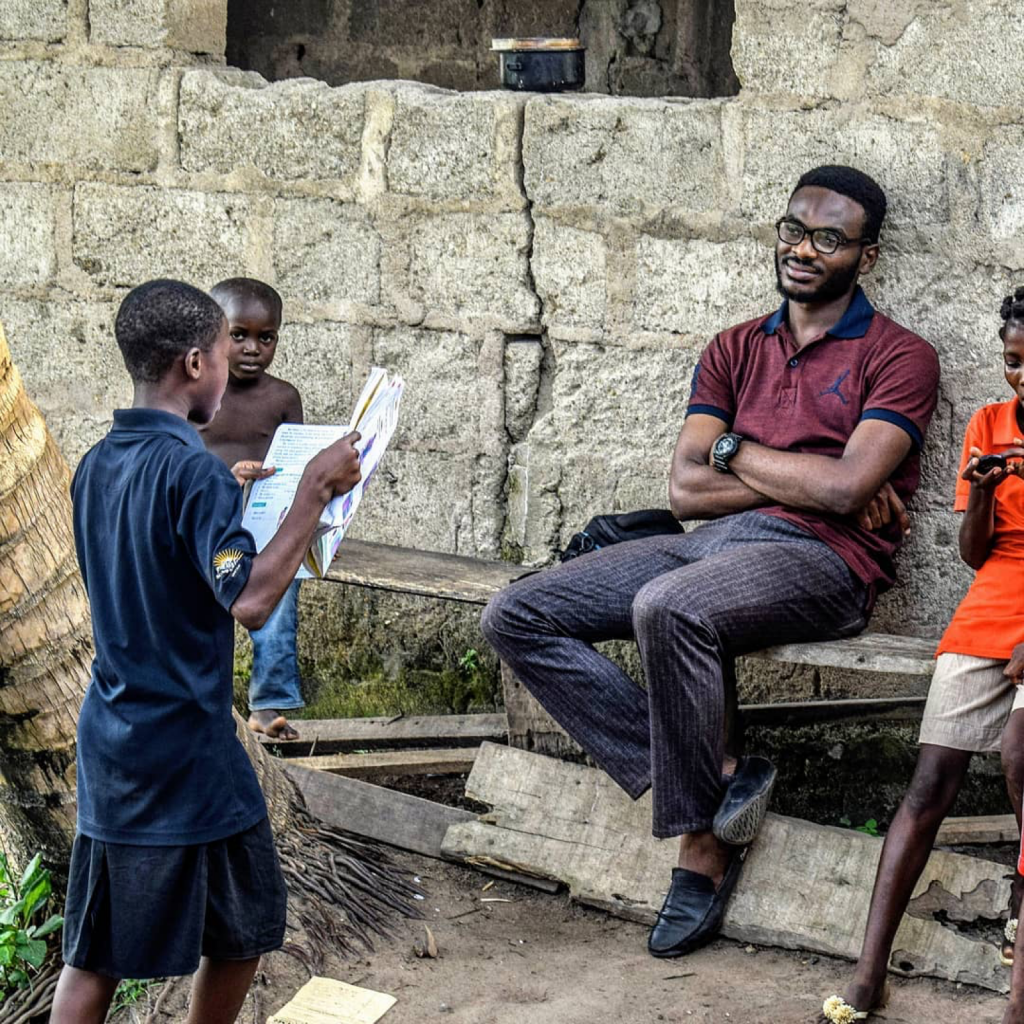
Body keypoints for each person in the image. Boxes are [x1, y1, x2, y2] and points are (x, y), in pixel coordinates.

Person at [481, 165, 940, 960]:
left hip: (826, 563)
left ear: (865, 257)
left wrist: (741, 453)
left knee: (669, 604)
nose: (803, 249)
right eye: (792, 229)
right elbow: (688, 489)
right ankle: (719, 773)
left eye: (829, 238)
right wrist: (803, 477)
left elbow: (846, 490)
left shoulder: (900, 356)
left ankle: (702, 845)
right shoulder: (733, 349)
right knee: (517, 613)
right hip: (708, 545)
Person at [50, 279, 361, 1024]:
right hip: (178, 747)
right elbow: (250, 599)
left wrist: (228, 502)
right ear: (195, 363)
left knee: (195, 932)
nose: (234, 366)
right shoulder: (191, 471)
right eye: (227, 351)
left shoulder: (98, 462)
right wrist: (313, 492)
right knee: (209, 932)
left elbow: (161, 558)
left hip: (122, 736)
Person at [825, 288, 1024, 1022]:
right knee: (930, 779)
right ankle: (870, 968)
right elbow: (979, 556)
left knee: (1020, 757)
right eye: (1013, 363)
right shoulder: (989, 425)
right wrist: (985, 492)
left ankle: (1019, 937)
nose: (1022, 380)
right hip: (995, 604)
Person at [199, 277, 306, 742]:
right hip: (207, 522)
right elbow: (178, 459)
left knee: (278, 605)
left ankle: (269, 704)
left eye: (266, 338)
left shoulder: (282, 397)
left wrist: (315, 532)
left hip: (267, 523)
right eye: (238, 334)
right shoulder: (201, 392)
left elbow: (300, 464)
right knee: (203, 613)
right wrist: (227, 477)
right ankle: (207, 706)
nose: (252, 349)